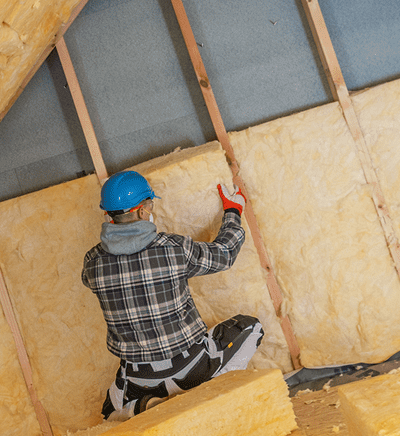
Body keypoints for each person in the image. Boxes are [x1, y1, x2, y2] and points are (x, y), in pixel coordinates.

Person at [81, 169, 264, 421]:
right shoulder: (173, 250)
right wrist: (233, 210)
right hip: (191, 365)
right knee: (251, 327)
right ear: (143, 211)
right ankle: (210, 386)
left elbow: (91, 281)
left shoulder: (92, 263)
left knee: (108, 413)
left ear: (107, 215)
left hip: (140, 378)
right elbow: (224, 253)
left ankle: (141, 406)